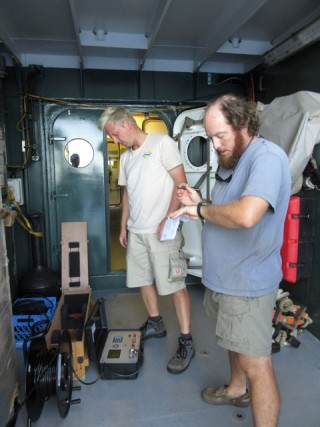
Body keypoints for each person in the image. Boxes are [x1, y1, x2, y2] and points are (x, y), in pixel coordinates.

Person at [170, 94, 291, 426]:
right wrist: (201, 201)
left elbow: (247, 215)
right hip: (224, 279)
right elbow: (225, 210)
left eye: (219, 135)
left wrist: (198, 210)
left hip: (247, 284)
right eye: (209, 137)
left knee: (258, 365)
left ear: (244, 125)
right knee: (231, 341)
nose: (214, 144)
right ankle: (236, 389)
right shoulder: (233, 160)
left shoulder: (265, 158)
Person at [98, 107, 195, 374]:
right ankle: (156, 322)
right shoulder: (128, 157)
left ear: (127, 124)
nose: (115, 141)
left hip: (163, 231)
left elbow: (181, 184)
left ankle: (186, 341)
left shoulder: (162, 143)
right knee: (141, 279)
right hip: (137, 230)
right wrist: (122, 225)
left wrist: (169, 217)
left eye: (116, 134)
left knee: (176, 286)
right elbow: (127, 193)